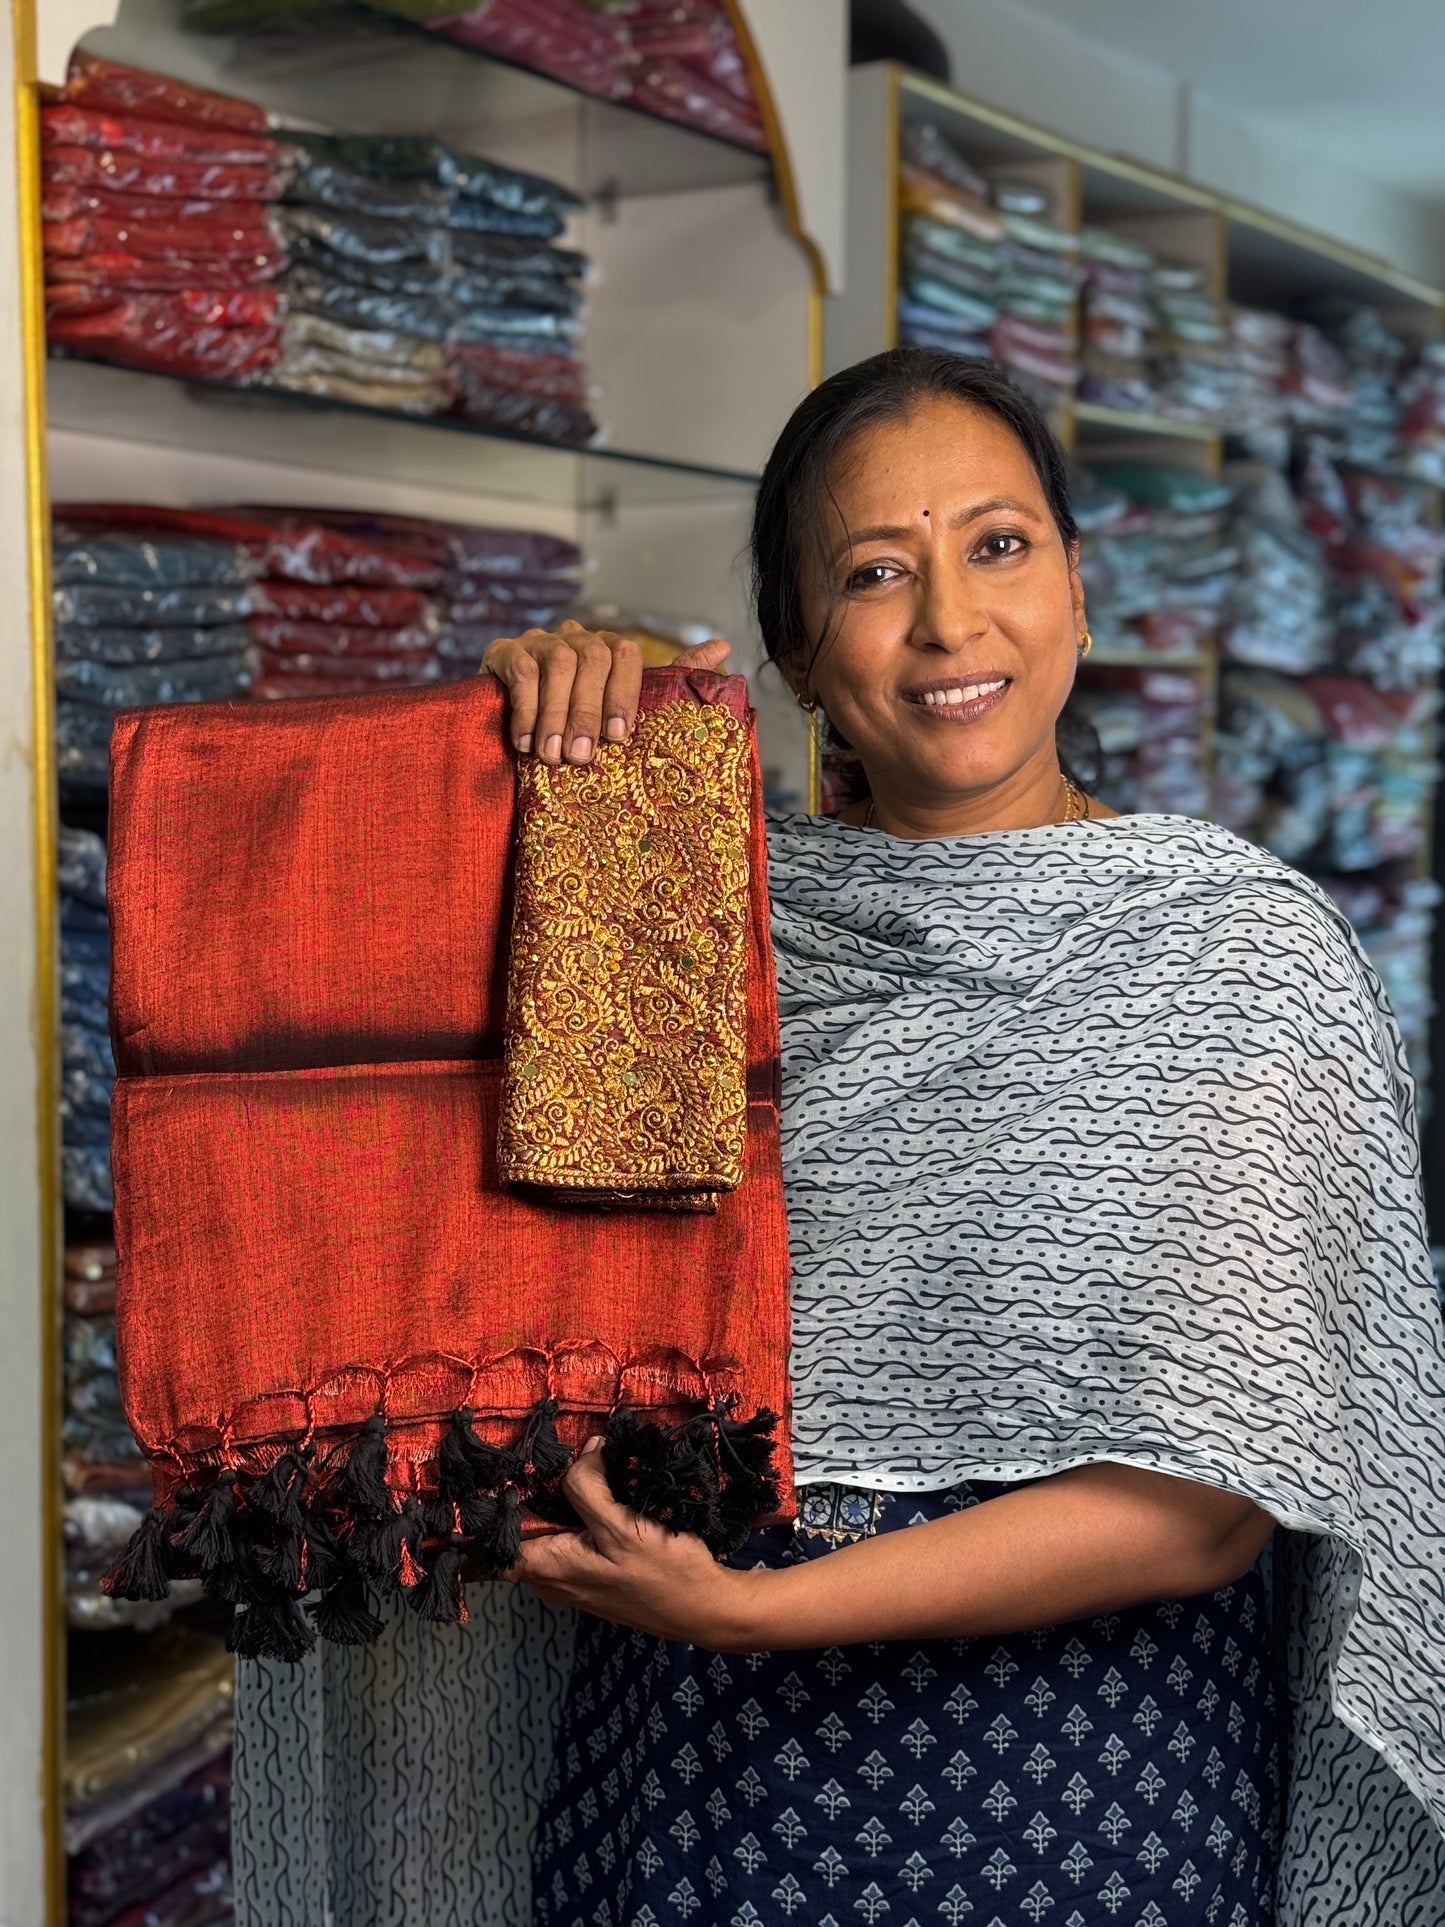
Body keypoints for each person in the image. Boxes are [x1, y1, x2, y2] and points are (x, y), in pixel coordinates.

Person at [475, 348, 1445, 1926]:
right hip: (674, 1775)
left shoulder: (1235, 957)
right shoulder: (679, 917)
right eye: (874, 572)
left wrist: (752, 1615)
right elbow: (474, 1208)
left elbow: (1198, 1508)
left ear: (1075, 577)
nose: (947, 623)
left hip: (1072, 1791)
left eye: (997, 545)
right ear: (796, 651)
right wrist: (534, 741)